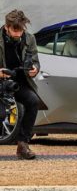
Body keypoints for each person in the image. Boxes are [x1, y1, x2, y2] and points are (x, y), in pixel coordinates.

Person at [0, 10, 42, 160]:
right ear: (7, 27)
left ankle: (23, 144)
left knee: (33, 101)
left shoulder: (29, 38)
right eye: (14, 30)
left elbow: (35, 61)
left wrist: (35, 70)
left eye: (20, 30)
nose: (18, 34)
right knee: (2, 114)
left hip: (18, 82)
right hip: (0, 80)